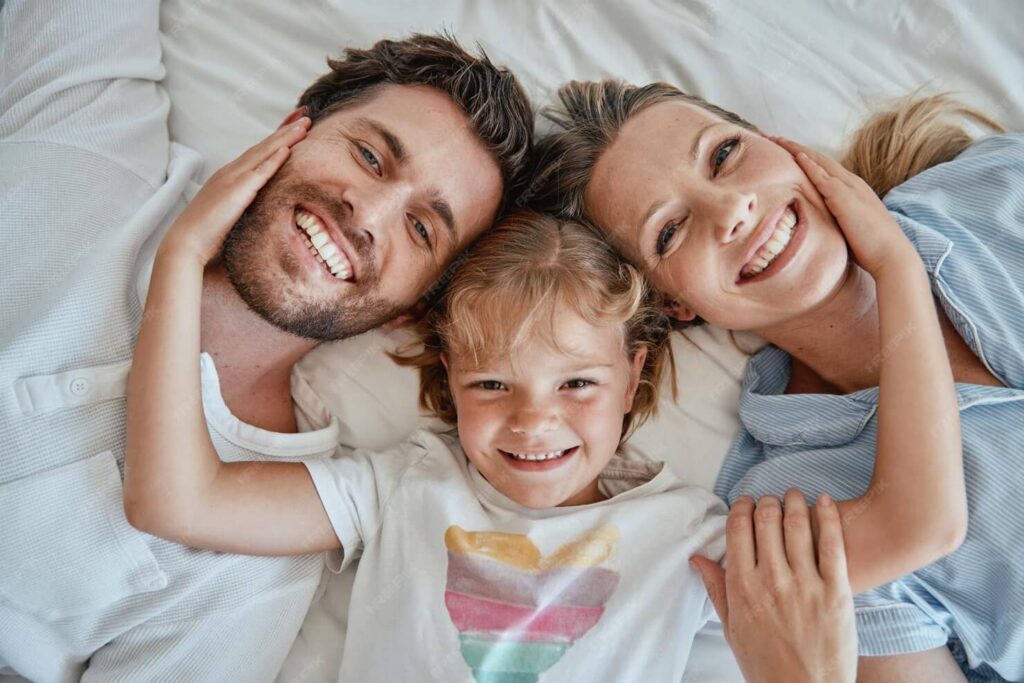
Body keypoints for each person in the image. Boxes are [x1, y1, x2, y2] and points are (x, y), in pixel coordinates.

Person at [125, 99, 949, 677]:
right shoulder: (398, 488)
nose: (533, 419)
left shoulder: (685, 537)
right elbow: (175, 502)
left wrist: (895, 268)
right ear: (445, 373)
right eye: (491, 381)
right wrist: (180, 257)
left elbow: (919, 524)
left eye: (578, 381)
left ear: (634, 375)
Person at [0, 0, 532, 679]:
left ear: (411, 310)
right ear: (294, 128)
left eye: (422, 228)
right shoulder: (95, 137)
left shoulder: (258, 559)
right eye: (369, 155)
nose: (366, 215)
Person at [532, 82, 1023, 680]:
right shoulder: (793, 514)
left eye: (723, 155)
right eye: (670, 231)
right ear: (672, 304)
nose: (731, 209)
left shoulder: (994, 192)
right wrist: (895, 271)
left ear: (777, 145)